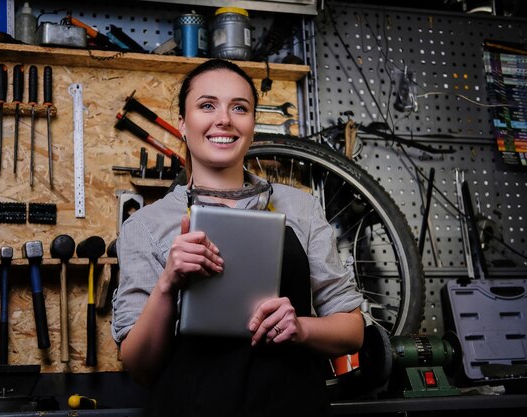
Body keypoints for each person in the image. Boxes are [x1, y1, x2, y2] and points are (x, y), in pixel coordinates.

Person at [112, 58, 364, 417]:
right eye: (207, 105)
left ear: (252, 123)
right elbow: (139, 367)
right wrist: (168, 283)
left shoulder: (301, 209)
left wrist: (302, 328)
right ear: (183, 124)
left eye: (239, 108)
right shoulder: (146, 226)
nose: (224, 119)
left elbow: (352, 330)